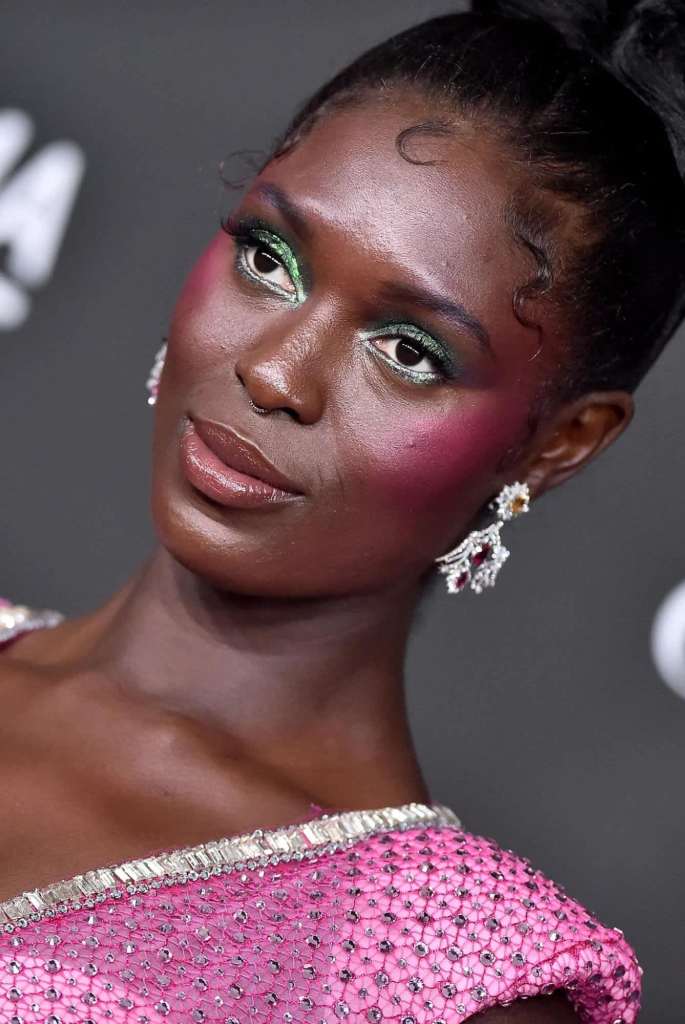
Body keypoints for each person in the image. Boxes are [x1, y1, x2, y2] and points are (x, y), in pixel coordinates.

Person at [3, 0, 683, 1018]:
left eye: (410, 351)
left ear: (559, 442)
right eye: (269, 260)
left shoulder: (463, 984)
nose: (275, 370)